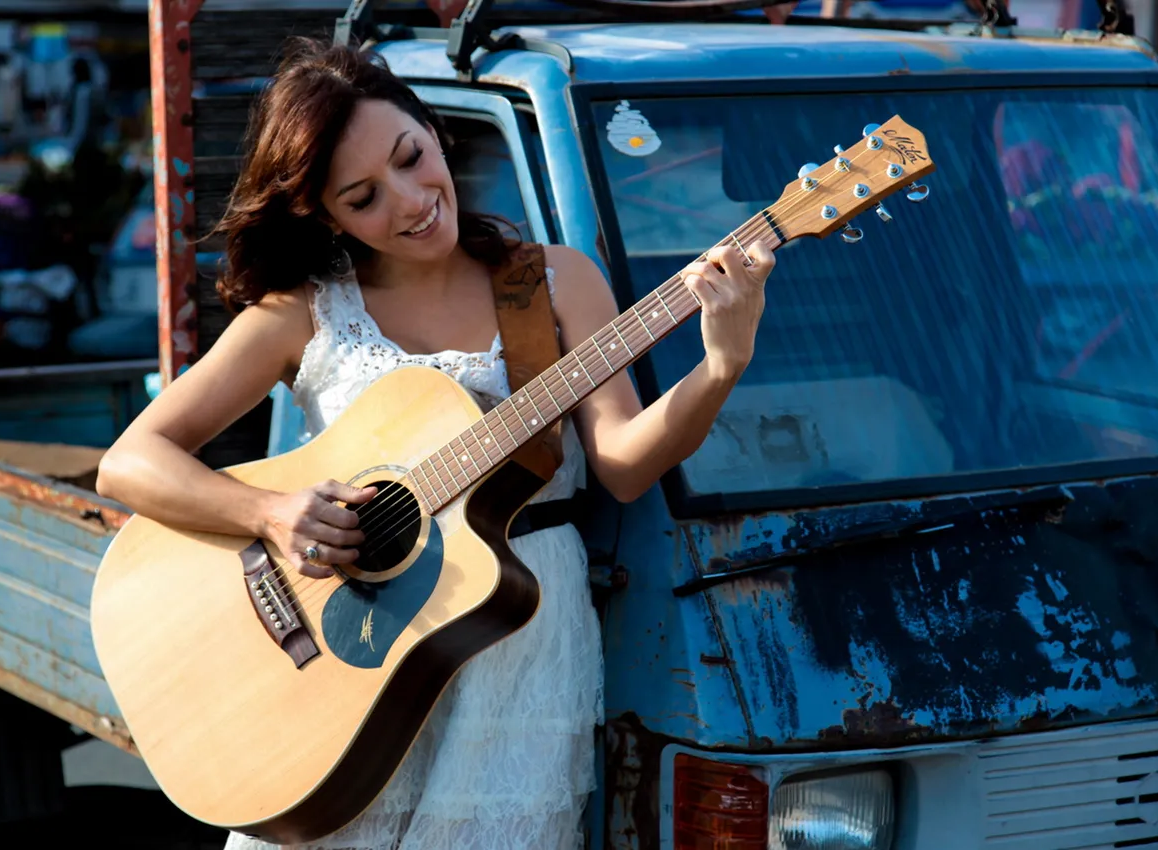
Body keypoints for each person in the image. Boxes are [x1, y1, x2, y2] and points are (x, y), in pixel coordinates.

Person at [94, 36, 774, 850]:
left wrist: (721, 363)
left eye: (412, 158)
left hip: (515, 644)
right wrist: (272, 512)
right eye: (364, 196)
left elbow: (624, 463)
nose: (412, 200)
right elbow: (131, 460)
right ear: (322, 212)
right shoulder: (301, 313)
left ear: (432, 130)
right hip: (341, 664)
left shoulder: (551, 283)